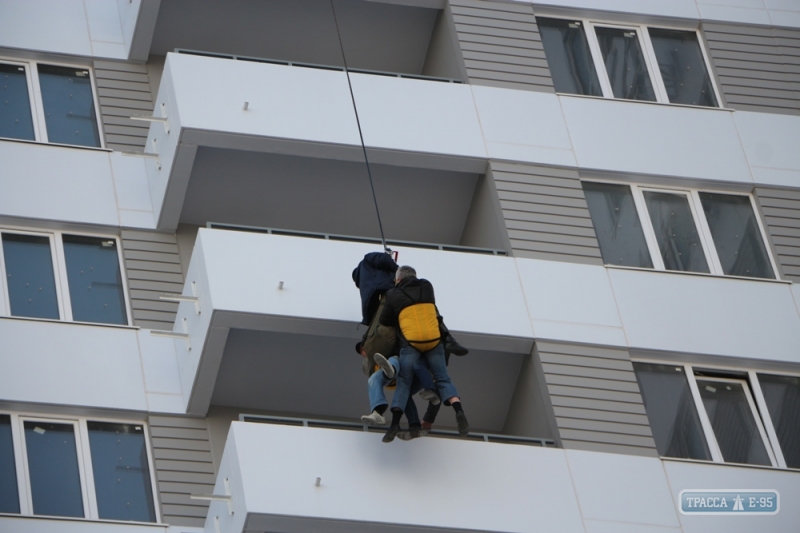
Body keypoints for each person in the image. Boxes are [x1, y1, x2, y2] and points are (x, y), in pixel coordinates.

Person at [379, 265, 468, 443]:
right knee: (443, 378)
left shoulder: (393, 293)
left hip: (411, 343)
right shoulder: (427, 286)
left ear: (398, 280)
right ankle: (459, 410)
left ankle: (394, 424)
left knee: (404, 382)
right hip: (434, 341)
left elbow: (385, 320)